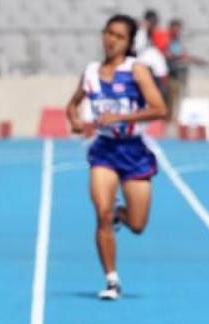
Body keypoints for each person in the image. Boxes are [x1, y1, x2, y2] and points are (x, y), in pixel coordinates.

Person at [66, 14, 167, 300]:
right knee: (102, 213)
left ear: (129, 42)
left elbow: (160, 109)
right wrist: (74, 121)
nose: (111, 40)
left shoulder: (137, 70)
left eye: (119, 36)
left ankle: (121, 216)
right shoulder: (90, 72)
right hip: (104, 151)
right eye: (108, 33)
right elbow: (72, 105)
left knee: (137, 225)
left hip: (134, 151)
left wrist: (121, 116)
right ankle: (111, 280)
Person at [165, 18, 206, 122]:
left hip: (179, 74)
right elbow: (168, 54)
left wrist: (195, 60)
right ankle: (168, 120)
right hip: (170, 74)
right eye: (176, 28)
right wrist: (180, 56)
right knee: (170, 99)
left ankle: (174, 119)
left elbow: (184, 54)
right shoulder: (166, 39)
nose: (178, 31)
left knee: (177, 98)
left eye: (179, 29)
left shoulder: (177, 41)